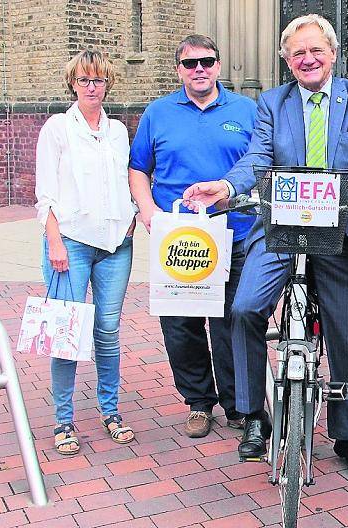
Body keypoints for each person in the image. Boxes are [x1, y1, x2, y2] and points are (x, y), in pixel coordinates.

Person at [182, 14, 348, 482]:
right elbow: (258, 157)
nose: (308, 59)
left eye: (316, 50)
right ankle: (253, 416)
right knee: (244, 309)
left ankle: (347, 437)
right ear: (286, 60)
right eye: (298, 53)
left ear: (333, 53)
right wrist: (226, 186)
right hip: (282, 224)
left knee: (343, 335)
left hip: (338, 227)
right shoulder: (273, 102)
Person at [129, 35, 258, 438]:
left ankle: (239, 405)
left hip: (235, 234)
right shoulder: (158, 113)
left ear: (218, 65)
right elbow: (138, 168)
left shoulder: (247, 110)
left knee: (231, 322)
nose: (199, 69)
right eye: (190, 63)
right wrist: (147, 209)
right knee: (181, 326)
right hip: (178, 239)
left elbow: (260, 164)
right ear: (179, 70)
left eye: (207, 61)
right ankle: (199, 402)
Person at [35, 50, 136, 455]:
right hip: (71, 243)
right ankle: (64, 419)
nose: (91, 87)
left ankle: (110, 411)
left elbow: (125, 179)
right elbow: (45, 193)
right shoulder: (57, 128)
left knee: (107, 332)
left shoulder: (117, 131)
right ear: (72, 84)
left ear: (108, 84)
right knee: (67, 332)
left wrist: (131, 215)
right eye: (83, 80)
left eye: (98, 80)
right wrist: (54, 241)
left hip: (115, 245)